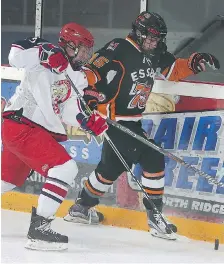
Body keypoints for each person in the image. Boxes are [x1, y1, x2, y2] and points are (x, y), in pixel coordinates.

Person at [63, 11, 220, 240]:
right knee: (153, 157)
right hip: (115, 122)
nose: (154, 43)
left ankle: (81, 206)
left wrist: (194, 64)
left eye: (157, 39)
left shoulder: (153, 53)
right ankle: (155, 216)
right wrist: (90, 96)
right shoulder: (119, 48)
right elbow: (91, 73)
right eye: (150, 38)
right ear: (139, 32)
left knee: (111, 168)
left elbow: (173, 70)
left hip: (132, 122)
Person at [1, 22, 108, 251]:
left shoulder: (76, 76)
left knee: (6, 180)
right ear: (71, 45)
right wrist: (44, 53)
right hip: (22, 125)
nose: (86, 55)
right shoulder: (46, 52)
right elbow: (15, 56)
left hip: (26, 130)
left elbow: (68, 106)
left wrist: (86, 121)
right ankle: (40, 229)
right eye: (84, 49)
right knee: (65, 168)